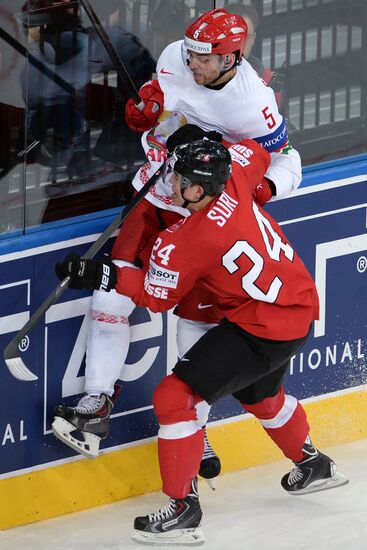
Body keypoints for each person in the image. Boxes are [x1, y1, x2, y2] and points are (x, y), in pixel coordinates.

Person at [55, 137, 348, 546]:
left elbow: (157, 296)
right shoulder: (234, 174)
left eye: (180, 178)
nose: (172, 182)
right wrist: (208, 147)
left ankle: (181, 511)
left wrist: (103, 275)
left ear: (196, 190)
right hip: (296, 307)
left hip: (261, 326)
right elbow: (255, 147)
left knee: (175, 398)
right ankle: (313, 465)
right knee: (260, 395)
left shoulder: (189, 240)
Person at [52, 8, 300, 483]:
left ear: (231, 58)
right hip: (153, 193)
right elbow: (156, 110)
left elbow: (286, 159)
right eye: (190, 52)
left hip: (199, 220)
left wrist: (255, 191)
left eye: (203, 58)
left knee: (194, 332)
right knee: (110, 294)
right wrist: (146, 107)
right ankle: (96, 403)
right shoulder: (175, 57)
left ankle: (196, 428)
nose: (191, 62)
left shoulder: (254, 104)